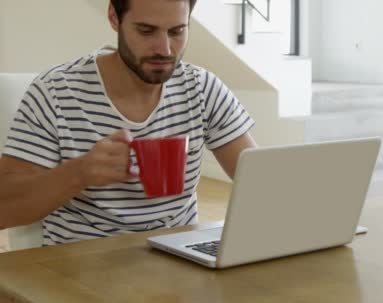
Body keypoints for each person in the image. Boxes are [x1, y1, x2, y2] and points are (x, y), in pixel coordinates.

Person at [0, 0, 257, 245]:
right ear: (114, 17)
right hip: (81, 267)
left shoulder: (201, 88)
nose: (164, 49)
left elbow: (261, 181)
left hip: (178, 264)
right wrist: (79, 173)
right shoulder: (55, 92)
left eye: (177, 31)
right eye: (146, 31)